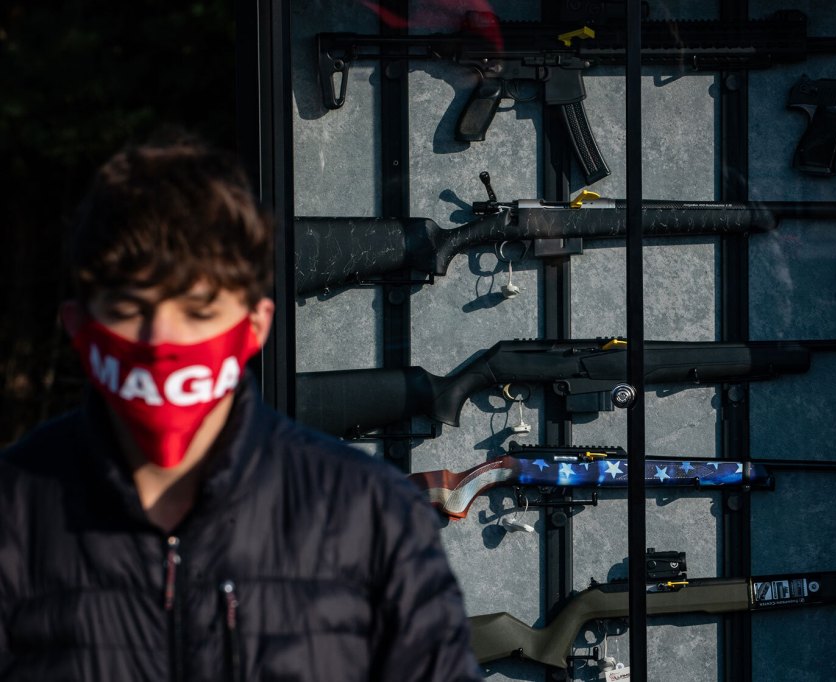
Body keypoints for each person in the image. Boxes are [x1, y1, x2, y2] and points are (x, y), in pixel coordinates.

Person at [0, 132, 482, 681]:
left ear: (254, 326)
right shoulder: (14, 513)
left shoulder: (371, 515)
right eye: (131, 309)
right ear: (78, 326)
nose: (163, 340)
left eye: (198, 310)